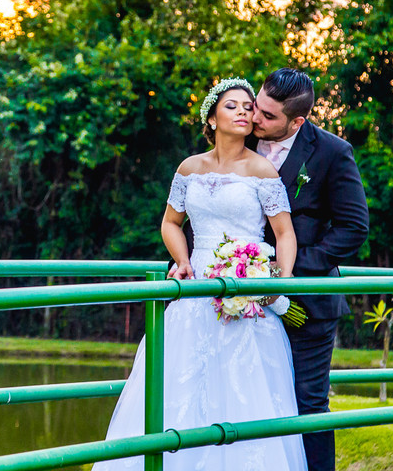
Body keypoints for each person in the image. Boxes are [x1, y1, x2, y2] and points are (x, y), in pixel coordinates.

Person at [93, 77, 308, 471]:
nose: (244, 111)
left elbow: (284, 233)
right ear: (211, 118)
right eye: (233, 106)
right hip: (194, 289)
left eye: (248, 106)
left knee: (243, 390)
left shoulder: (261, 170)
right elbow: (171, 223)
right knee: (180, 383)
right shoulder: (189, 168)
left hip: (247, 287)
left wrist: (277, 280)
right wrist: (184, 259)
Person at [250, 68, 369, 471]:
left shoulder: (333, 153)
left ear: (297, 121)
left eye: (267, 116)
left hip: (307, 306)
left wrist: (285, 268)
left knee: (308, 403)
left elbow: (353, 229)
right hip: (239, 299)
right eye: (256, 107)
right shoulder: (238, 138)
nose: (255, 118)